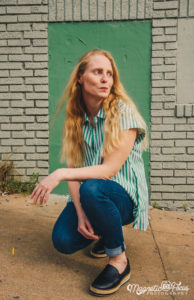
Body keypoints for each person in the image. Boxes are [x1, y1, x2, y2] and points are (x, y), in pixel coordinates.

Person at [30, 49, 149, 296]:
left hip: (122, 197)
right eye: (98, 72)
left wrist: (59, 174)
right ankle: (106, 233)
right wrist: (81, 212)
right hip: (93, 195)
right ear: (81, 78)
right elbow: (75, 167)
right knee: (63, 240)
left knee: (93, 187)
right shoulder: (77, 116)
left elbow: (108, 170)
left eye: (110, 73)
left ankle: (119, 261)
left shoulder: (123, 112)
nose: (106, 79)